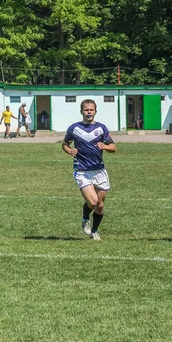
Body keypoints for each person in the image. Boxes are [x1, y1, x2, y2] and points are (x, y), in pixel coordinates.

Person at [62, 99, 116, 240]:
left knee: (100, 205)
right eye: (86, 110)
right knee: (92, 202)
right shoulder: (74, 128)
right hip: (82, 170)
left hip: (99, 170)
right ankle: (85, 218)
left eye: (91, 110)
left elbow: (113, 147)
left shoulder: (101, 128)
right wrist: (69, 150)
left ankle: (94, 231)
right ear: (81, 112)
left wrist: (105, 146)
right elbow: (65, 144)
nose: (89, 112)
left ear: (95, 112)